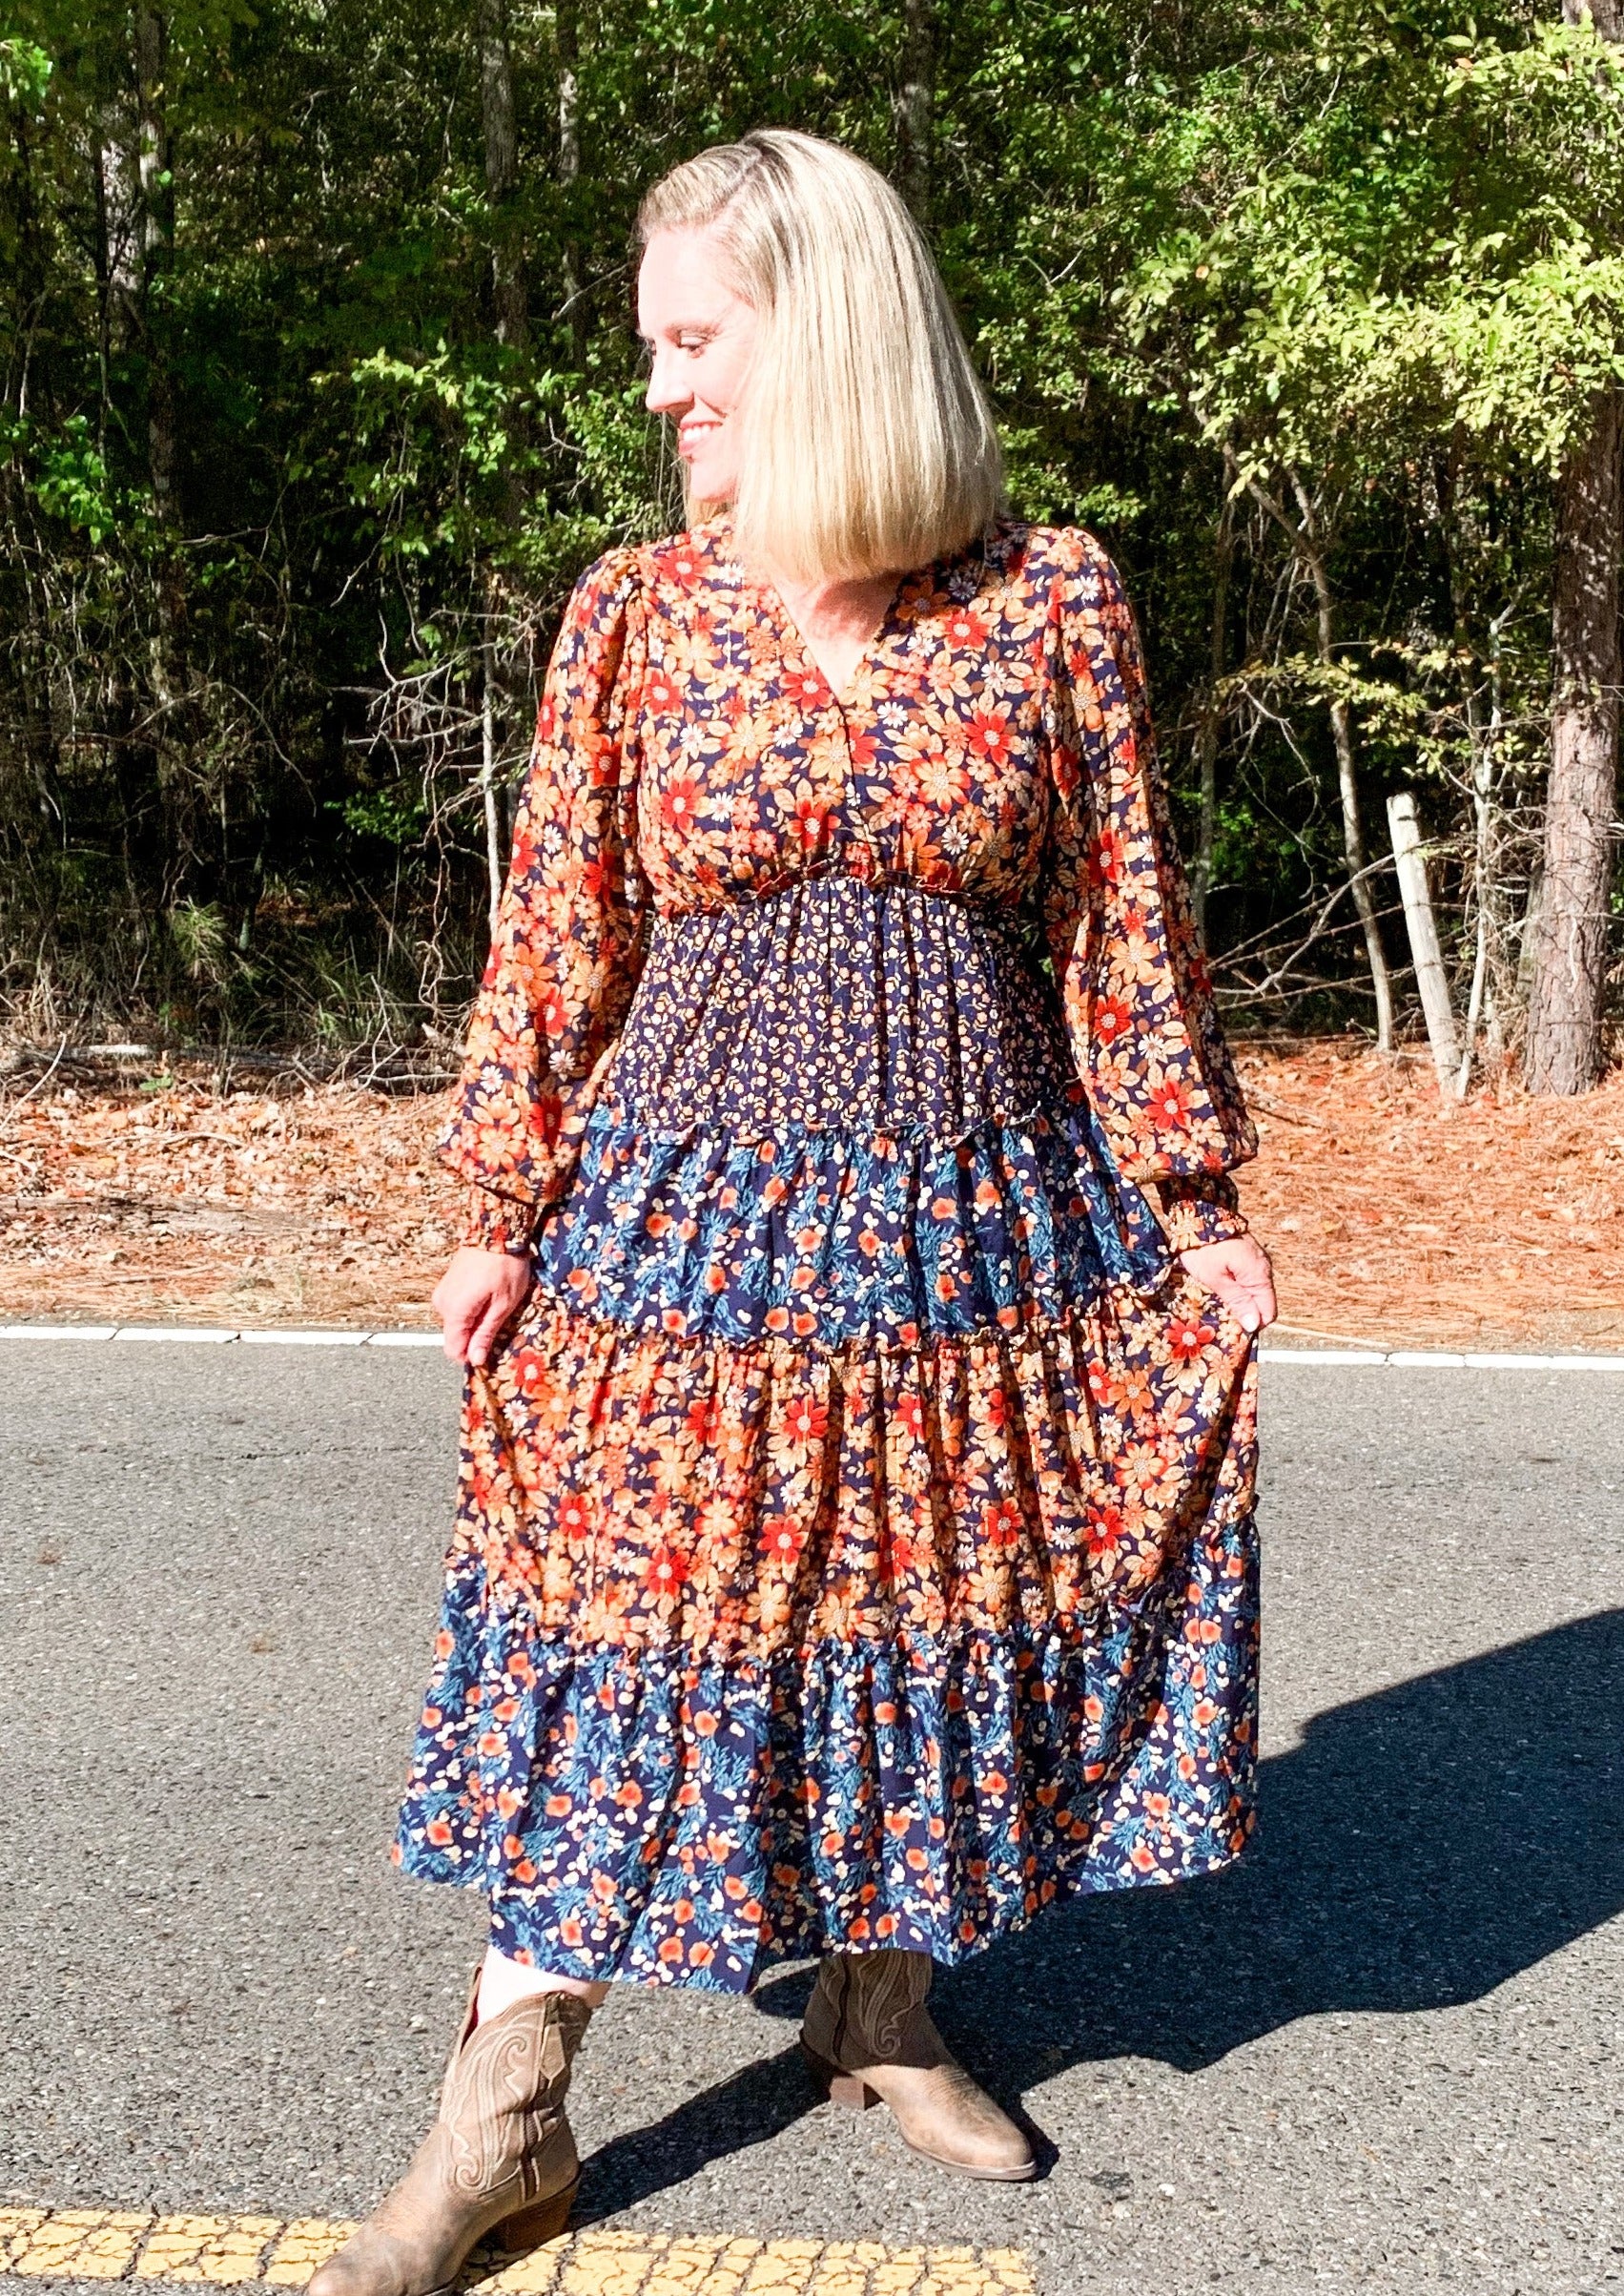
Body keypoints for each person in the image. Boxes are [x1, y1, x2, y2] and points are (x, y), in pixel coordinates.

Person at [312, 126, 1276, 2296]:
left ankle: (878, 2012)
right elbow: (553, 939)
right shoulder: (636, 618)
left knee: (936, 1615)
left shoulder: (1053, 601)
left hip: (976, 1234)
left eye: (691, 338)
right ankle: (507, 2113)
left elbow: (1127, 930)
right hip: (681, 1233)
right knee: (624, 1659)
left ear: (825, 332)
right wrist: (495, 1201)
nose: (659, 389)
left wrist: (1193, 1193)